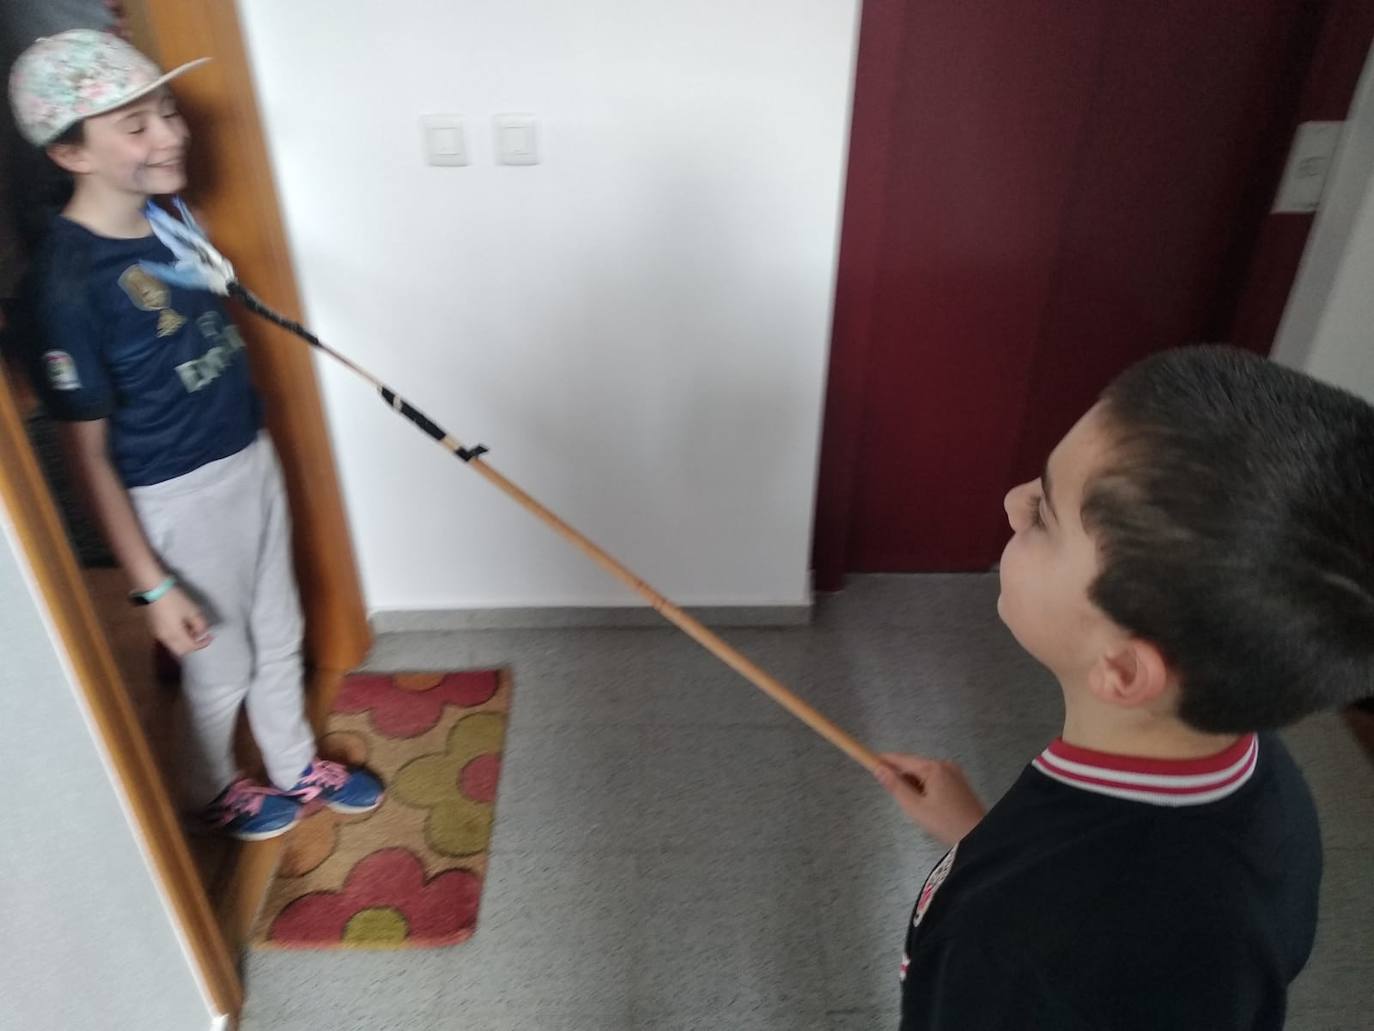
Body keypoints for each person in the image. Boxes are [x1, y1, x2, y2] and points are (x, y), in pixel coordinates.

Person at [876, 345, 1374, 1028]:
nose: (1014, 502)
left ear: (1122, 670)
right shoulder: (1268, 783)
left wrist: (1006, 886)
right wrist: (983, 838)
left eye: (1047, 517)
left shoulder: (1008, 944)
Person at [8, 29, 383, 839]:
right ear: (72, 153)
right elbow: (88, 458)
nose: (173, 134)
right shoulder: (67, 286)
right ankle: (215, 784)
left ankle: (291, 764)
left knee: (281, 630)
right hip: (174, 493)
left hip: (249, 455)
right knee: (220, 661)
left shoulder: (169, 219)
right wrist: (150, 584)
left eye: (168, 112)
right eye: (136, 126)